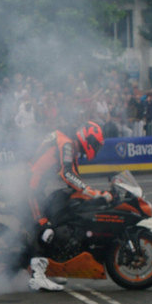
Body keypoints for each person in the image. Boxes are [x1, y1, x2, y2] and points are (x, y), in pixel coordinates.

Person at [19, 121, 111, 292]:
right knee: (46, 228)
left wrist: (90, 195)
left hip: (35, 186)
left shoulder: (70, 144)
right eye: (95, 144)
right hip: (31, 188)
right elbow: (67, 174)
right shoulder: (67, 143)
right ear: (87, 138)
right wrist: (94, 193)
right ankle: (37, 277)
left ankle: (49, 267)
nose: (95, 148)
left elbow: (75, 178)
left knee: (59, 215)